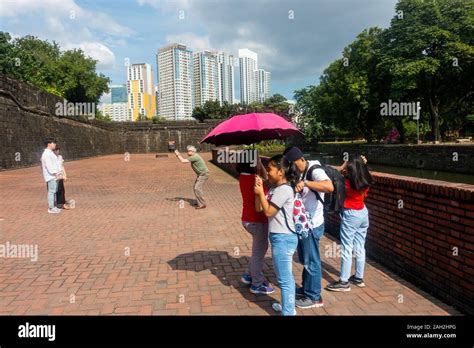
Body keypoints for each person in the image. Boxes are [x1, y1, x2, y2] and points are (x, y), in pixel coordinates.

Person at [283, 146, 334, 309]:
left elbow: (329, 186)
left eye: (293, 164)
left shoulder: (314, 170)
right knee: (306, 259)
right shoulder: (298, 172)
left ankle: (314, 297)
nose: (292, 169)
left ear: (302, 159)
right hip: (304, 224)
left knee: (312, 261)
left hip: (312, 225)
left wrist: (305, 182)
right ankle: (307, 288)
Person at [254, 154, 299, 316]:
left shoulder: (284, 190)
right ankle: (288, 306)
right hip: (278, 237)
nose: (268, 172)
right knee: (283, 276)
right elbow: (259, 208)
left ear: (281, 171)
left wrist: (260, 192)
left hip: (284, 238)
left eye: (270, 169)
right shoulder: (275, 189)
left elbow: (268, 211)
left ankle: (289, 311)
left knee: (284, 279)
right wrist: (258, 191)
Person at [326, 155, 372, 292]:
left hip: (351, 214)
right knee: (360, 246)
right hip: (363, 212)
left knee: (346, 248)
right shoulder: (365, 179)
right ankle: (358, 277)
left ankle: (344, 281)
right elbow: (364, 171)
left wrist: (343, 165)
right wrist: (361, 164)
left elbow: (330, 171)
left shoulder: (345, 182)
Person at [237, 157, 274, 295]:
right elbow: (262, 202)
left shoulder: (242, 176)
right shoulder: (256, 180)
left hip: (247, 219)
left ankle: (248, 275)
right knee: (260, 252)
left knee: (257, 250)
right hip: (258, 220)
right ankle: (257, 284)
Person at [40, 138, 61, 214]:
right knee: (51, 191)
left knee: (53, 191)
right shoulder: (46, 154)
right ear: (49, 144)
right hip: (51, 176)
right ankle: (51, 207)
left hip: (54, 175)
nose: (55, 144)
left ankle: (53, 206)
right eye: (53, 143)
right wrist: (55, 172)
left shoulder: (50, 153)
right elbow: (49, 166)